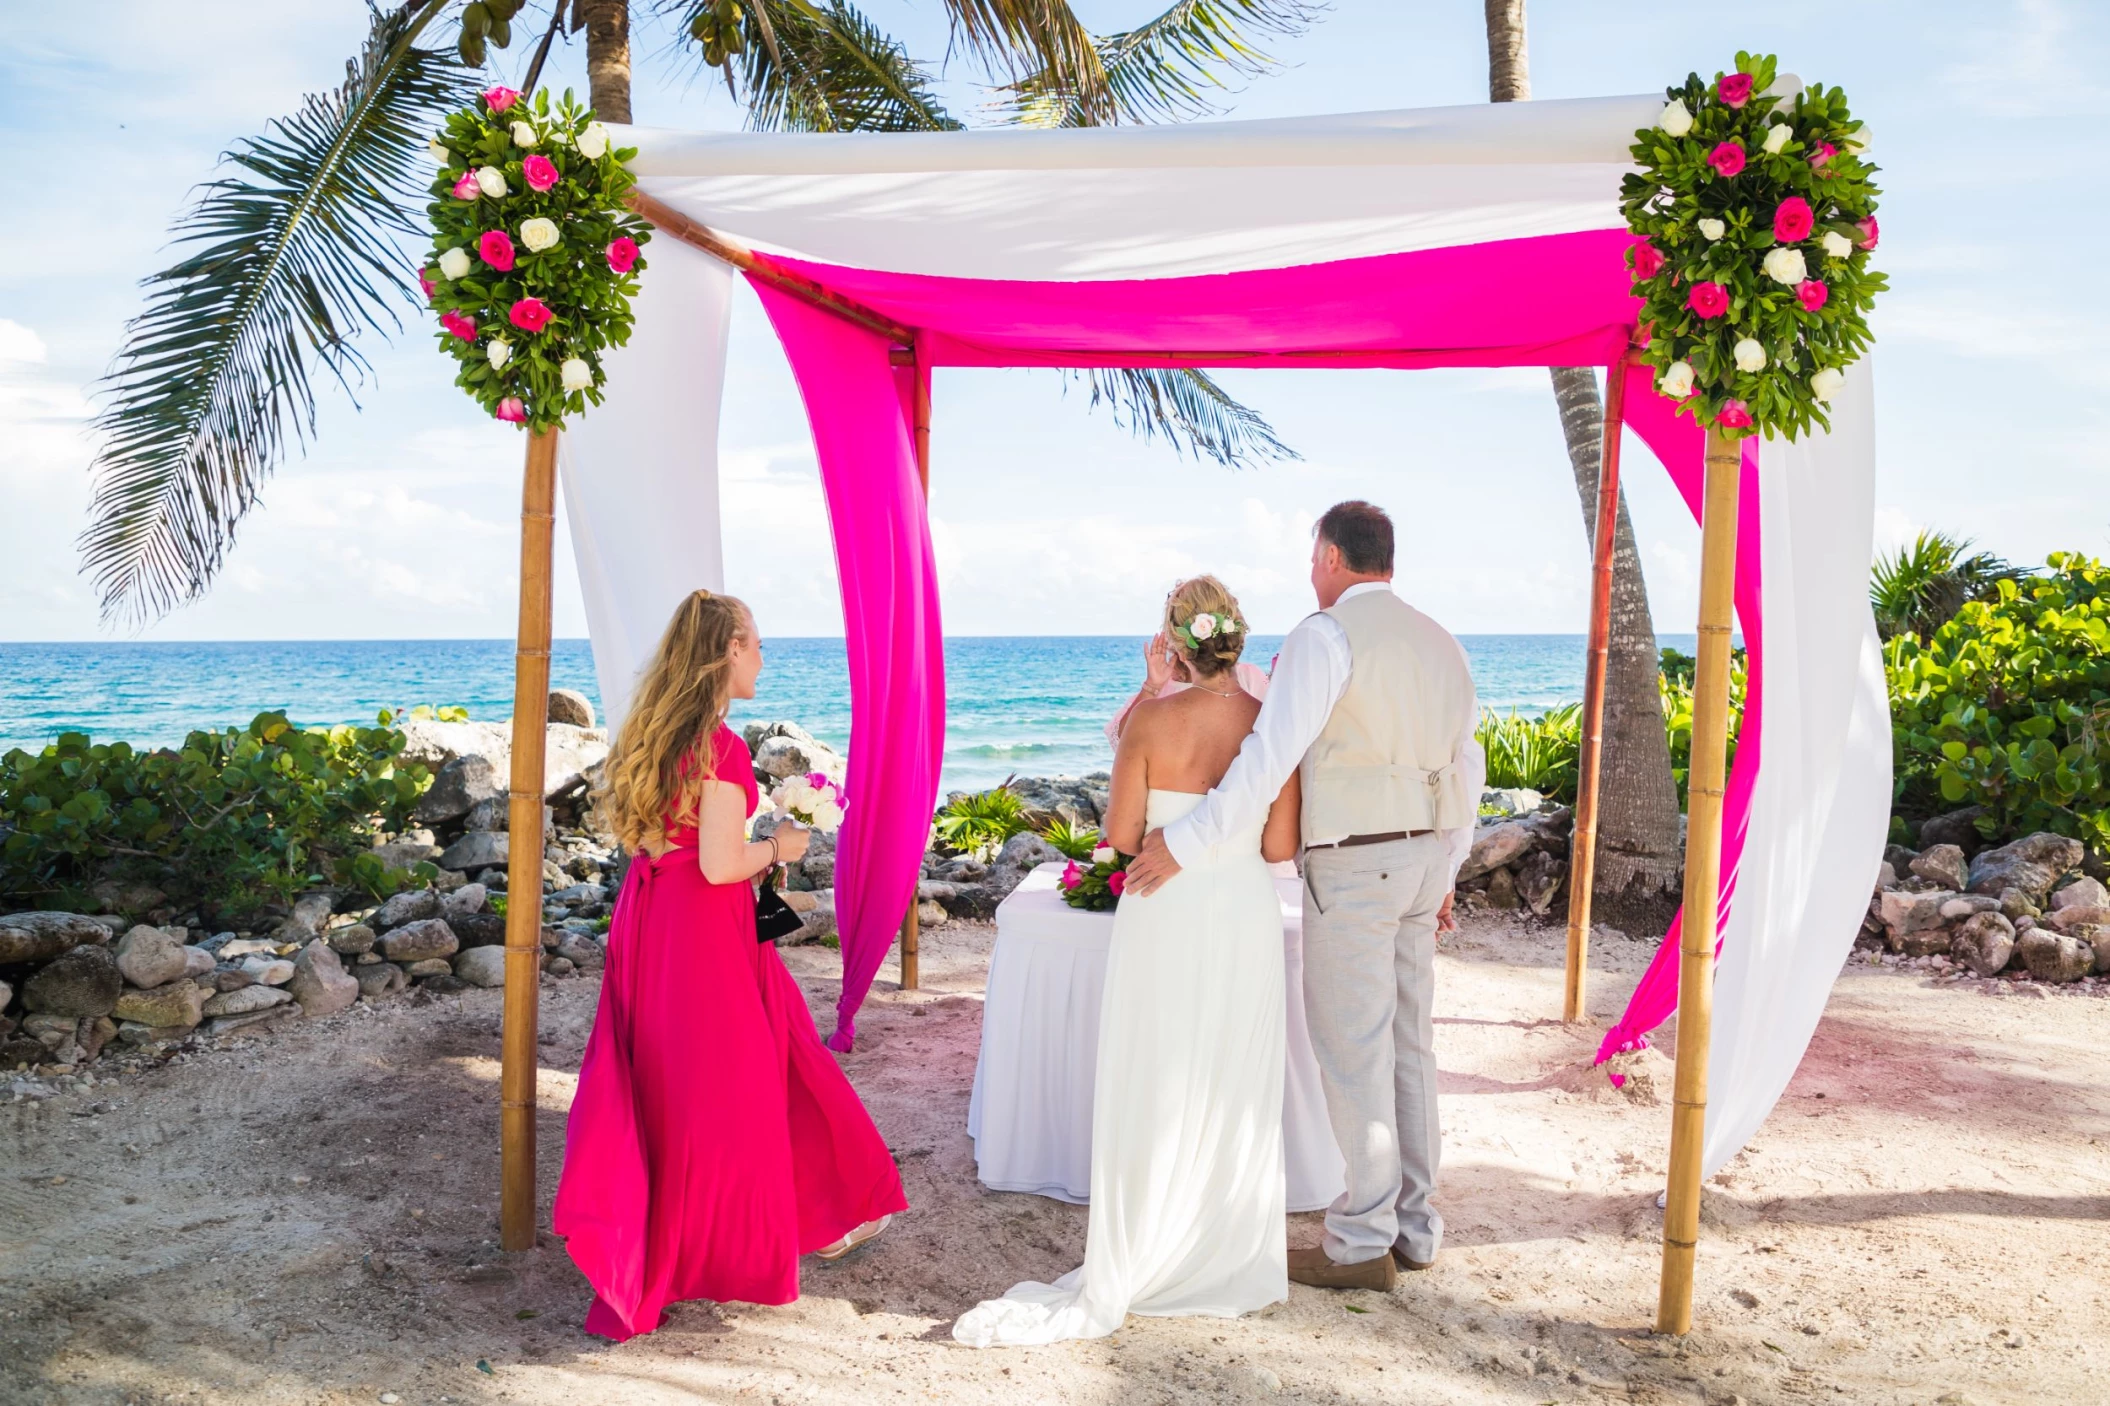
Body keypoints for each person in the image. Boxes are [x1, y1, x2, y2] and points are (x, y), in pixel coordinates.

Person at [1126, 502, 1482, 1292]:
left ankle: (1360, 1245)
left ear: (1328, 557)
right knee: (1410, 1046)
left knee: (1355, 1051)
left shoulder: (1325, 638)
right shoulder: (1442, 641)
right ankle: (1416, 1229)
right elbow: (1468, 764)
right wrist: (1449, 865)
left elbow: (1269, 754)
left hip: (1359, 865)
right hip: (1426, 858)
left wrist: (1185, 840)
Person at [954, 576, 1304, 1347]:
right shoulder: (1269, 723)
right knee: (1229, 1072)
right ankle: (1226, 1255)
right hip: (1240, 909)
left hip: (1164, 910)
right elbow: (1281, 848)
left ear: (1175, 641)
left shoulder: (1149, 722)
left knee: (1156, 1068)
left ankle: (1148, 1242)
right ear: (1233, 641)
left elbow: (1117, 837)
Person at [554, 589, 907, 1342]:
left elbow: (673, 849)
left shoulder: (662, 733)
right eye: (757, 644)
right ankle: (736, 1242)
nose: (763, 657)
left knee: (696, 1075)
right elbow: (718, 865)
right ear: (727, 650)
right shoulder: (720, 746)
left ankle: (822, 1215)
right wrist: (780, 848)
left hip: (656, 924)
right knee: (731, 1084)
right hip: (701, 932)